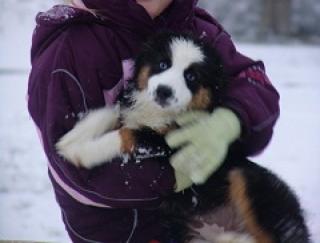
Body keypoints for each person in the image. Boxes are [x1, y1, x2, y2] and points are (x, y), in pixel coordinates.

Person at [27, 0, 280, 242]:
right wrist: (173, 176)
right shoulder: (73, 46)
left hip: (208, 218)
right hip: (123, 231)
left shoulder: (197, 29)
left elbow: (252, 81)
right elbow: (73, 165)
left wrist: (230, 120)